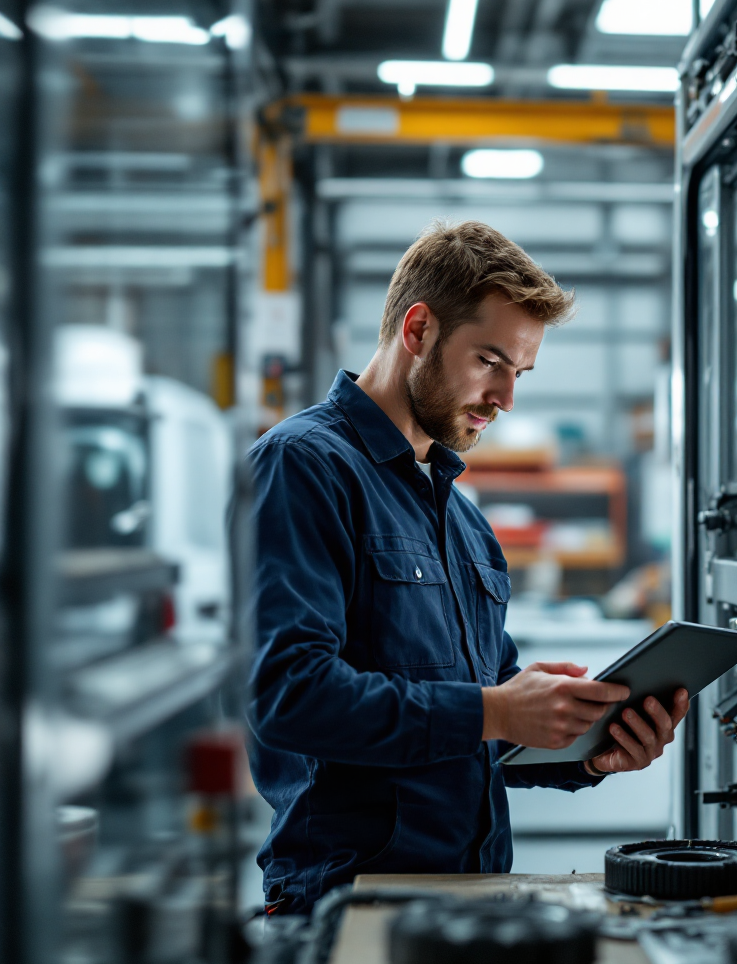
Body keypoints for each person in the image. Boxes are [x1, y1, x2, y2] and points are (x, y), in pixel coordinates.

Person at [247, 220, 689, 914]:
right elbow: (287, 695)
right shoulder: (304, 464)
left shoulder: (463, 519)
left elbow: (484, 727)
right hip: (347, 905)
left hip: (475, 895)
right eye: (490, 361)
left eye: (521, 373)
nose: (507, 399)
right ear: (418, 331)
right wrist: (496, 709)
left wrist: (587, 748)